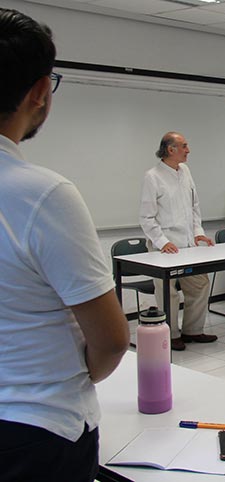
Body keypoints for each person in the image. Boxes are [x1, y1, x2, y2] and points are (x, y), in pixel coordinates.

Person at [0, 8, 129, 480]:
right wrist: (77, 379)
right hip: (36, 428)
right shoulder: (42, 194)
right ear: (39, 92)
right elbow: (112, 340)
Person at [139, 131, 217, 351]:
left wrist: (198, 231)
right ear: (170, 149)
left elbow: (194, 206)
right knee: (168, 291)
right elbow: (146, 217)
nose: (188, 150)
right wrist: (162, 242)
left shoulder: (185, 171)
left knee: (200, 284)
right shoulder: (152, 176)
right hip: (164, 247)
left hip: (188, 244)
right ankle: (171, 334)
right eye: (184, 146)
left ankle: (193, 330)